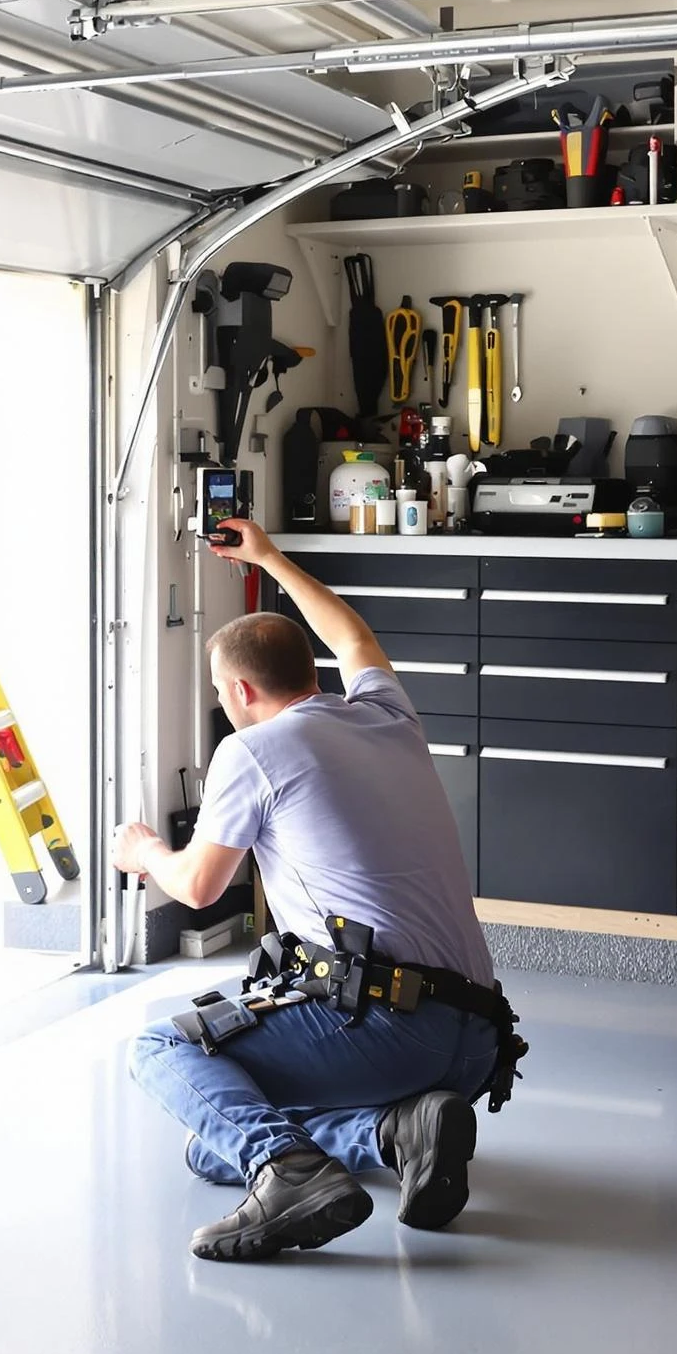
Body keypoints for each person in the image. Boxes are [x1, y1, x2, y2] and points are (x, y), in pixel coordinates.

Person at [117, 519, 508, 1262]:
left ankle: (290, 1174)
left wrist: (146, 853)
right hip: (477, 1043)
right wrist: (268, 557)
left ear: (240, 690)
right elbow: (353, 636)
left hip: (391, 1031)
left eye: (219, 690)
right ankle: (398, 1132)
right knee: (211, 1145)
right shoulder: (388, 716)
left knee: (161, 1050)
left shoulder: (253, 750)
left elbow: (198, 886)